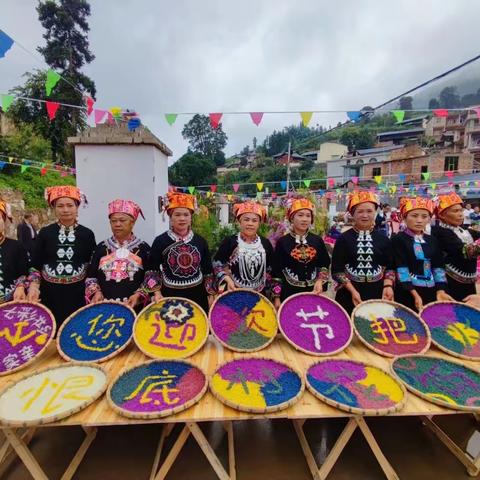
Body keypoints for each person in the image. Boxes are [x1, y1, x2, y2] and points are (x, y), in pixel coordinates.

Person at [131, 192, 214, 314]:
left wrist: (211, 294)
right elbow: (152, 270)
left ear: (191, 217)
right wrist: (157, 292)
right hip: (168, 293)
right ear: (170, 216)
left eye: (186, 214)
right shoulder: (160, 241)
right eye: (177, 214)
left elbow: (208, 271)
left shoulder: (200, 241)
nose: (182, 218)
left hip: (197, 294)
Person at [27, 186, 96, 326]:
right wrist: (34, 286)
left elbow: (91, 264)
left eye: (70, 205)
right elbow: (35, 264)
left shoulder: (87, 234)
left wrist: (92, 290)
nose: (65, 210)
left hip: (78, 293)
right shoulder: (45, 233)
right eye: (60, 206)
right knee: (50, 328)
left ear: (77, 207)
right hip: (49, 292)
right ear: (54, 208)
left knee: (76, 327)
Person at [331, 191, 395, 315]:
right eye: (360, 211)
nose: (365, 215)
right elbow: (337, 271)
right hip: (348, 293)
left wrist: (388, 286)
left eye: (369, 211)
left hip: (377, 292)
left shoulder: (383, 239)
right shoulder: (343, 239)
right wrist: (352, 291)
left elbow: (390, 267)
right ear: (352, 214)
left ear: (375, 212)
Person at [85, 199, 150, 308]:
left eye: (122, 220)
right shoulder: (101, 248)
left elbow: (151, 277)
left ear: (132, 222)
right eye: (113, 221)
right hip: (105, 307)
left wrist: (140, 294)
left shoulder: (144, 248)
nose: (117, 224)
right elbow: (90, 277)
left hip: (134, 307)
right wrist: (96, 292)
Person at [391, 197, 453, 312]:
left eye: (424, 217)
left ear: (429, 219)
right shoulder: (398, 239)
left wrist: (440, 290)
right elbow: (401, 268)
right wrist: (414, 294)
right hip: (407, 293)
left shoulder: (432, 240)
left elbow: (438, 266)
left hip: (432, 291)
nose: (419, 220)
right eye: (414, 216)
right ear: (404, 217)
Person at [273, 197, 330, 307]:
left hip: (313, 292)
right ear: (291, 218)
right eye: (300, 215)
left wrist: (319, 281)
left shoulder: (317, 240)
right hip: (288, 292)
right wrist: (276, 298)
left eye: (308, 216)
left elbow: (324, 264)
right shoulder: (283, 242)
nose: (304, 219)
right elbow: (276, 272)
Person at [213, 200, 277, 295]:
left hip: (260, 293)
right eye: (246, 219)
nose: (250, 223)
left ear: (259, 223)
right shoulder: (230, 241)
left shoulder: (265, 243)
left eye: (254, 220)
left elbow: (271, 268)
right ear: (239, 221)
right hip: (233, 290)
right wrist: (227, 279)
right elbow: (217, 265)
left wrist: (267, 283)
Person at [431, 193, 480, 302]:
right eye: (455, 211)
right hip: (452, 281)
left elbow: (476, 234)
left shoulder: (463, 230)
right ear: (442, 215)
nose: (460, 214)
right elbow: (465, 251)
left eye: (461, 210)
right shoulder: (440, 232)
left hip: (469, 279)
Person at [0, 200, 29, 303]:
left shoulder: (16, 246)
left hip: (11, 304)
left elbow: (23, 273)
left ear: (3, 221)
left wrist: (20, 287)